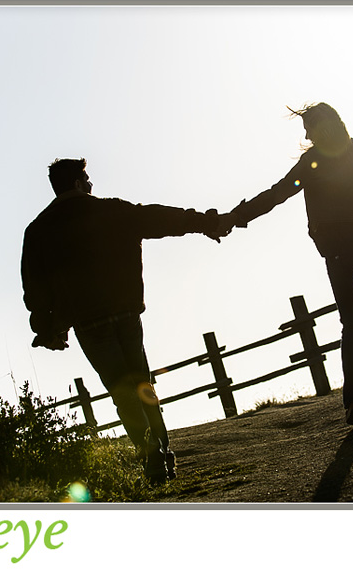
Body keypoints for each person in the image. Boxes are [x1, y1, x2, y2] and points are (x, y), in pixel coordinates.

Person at [21, 158, 231, 483]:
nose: (91, 185)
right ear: (78, 183)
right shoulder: (113, 211)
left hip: (88, 323)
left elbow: (35, 288)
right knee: (142, 383)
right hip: (125, 312)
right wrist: (206, 222)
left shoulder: (38, 230)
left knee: (122, 391)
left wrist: (49, 329)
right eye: (87, 179)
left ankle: (152, 458)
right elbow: (161, 218)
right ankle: (163, 453)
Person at [227, 102, 353, 428]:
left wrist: (239, 216)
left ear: (323, 127)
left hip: (338, 250)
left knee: (352, 325)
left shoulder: (312, 163)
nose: (305, 134)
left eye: (309, 128)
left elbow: (280, 193)